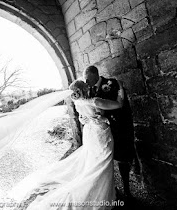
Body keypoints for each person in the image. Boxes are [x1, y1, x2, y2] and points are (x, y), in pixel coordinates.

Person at [8, 79, 125, 210]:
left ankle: (105, 191)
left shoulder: (77, 102)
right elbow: (119, 104)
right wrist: (120, 87)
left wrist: (89, 119)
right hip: (100, 134)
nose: (88, 87)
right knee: (103, 163)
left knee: (94, 162)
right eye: (86, 86)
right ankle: (100, 195)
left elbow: (82, 118)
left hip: (90, 133)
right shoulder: (95, 101)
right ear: (83, 89)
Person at [82, 65, 136, 199]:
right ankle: (109, 189)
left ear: (95, 74)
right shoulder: (89, 90)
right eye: (85, 79)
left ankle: (127, 189)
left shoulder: (112, 83)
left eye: (87, 78)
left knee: (123, 158)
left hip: (119, 127)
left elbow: (122, 105)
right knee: (105, 160)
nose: (86, 82)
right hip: (102, 131)